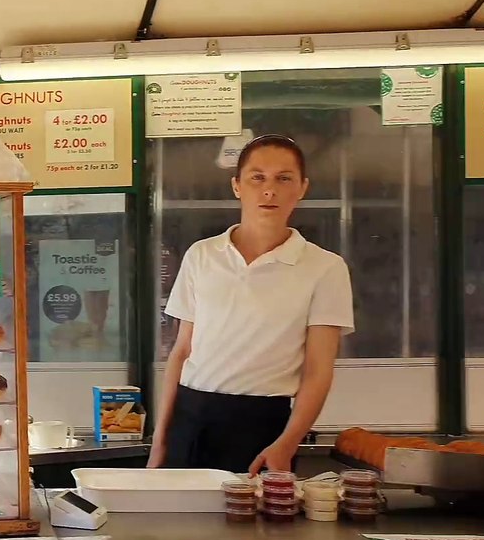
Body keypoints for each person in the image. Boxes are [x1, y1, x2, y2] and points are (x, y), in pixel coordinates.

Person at [147, 134, 354, 476]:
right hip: (189, 417)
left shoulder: (325, 268)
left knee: (252, 526)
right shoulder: (202, 255)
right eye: (257, 177)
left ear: (302, 187)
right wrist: (161, 438)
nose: (269, 189)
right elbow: (181, 352)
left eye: (283, 178)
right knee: (177, 525)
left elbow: (318, 371)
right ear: (237, 186)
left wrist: (288, 443)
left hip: (262, 426)